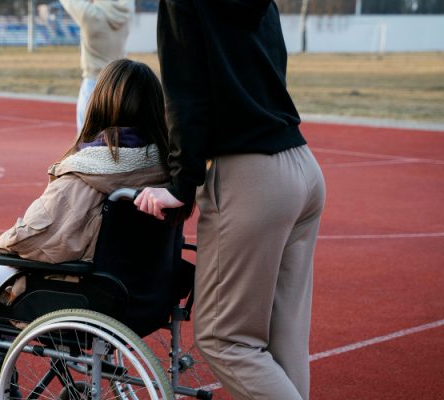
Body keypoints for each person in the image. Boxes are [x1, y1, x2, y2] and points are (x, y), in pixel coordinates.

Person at [0, 59, 172, 400]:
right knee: (14, 276)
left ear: (101, 103)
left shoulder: (90, 169)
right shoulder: (165, 167)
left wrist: (5, 244)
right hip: (144, 294)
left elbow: (38, 237)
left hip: (85, 294)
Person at [134, 1, 326, 399]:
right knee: (283, 336)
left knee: (225, 339)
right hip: (301, 165)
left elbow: (185, 97)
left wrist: (180, 184)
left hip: (251, 178)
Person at [59, 0, 135, 134]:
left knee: (85, 141)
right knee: (118, 140)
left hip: (93, 85)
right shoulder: (126, 12)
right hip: (120, 85)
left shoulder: (90, 15)